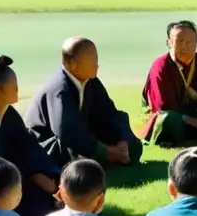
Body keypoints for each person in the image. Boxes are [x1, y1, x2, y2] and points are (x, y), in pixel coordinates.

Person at [0, 56, 62, 216]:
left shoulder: (9, 114)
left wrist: (51, 177)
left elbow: (28, 146)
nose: (17, 87)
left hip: (12, 178)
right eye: (12, 83)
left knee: (45, 195)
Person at [25, 37, 143, 168]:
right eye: (91, 60)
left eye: (96, 59)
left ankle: (109, 158)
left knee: (134, 146)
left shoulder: (91, 82)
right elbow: (66, 131)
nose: (96, 64)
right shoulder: (59, 89)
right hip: (48, 144)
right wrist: (106, 152)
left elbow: (110, 114)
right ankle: (103, 161)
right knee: (71, 153)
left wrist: (122, 140)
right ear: (72, 64)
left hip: (82, 137)